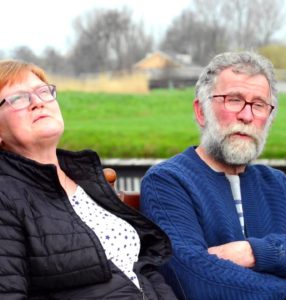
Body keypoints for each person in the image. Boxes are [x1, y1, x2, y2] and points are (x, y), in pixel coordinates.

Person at [0, 59, 178, 300]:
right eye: (18, 98)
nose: (38, 103)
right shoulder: (6, 195)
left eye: (43, 91)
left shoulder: (85, 178)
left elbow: (141, 267)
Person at [140, 51, 286, 299]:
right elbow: (195, 282)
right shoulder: (167, 183)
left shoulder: (280, 186)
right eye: (234, 100)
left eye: (259, 105)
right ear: (201, 112)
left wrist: (251, 252)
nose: (247, 115)